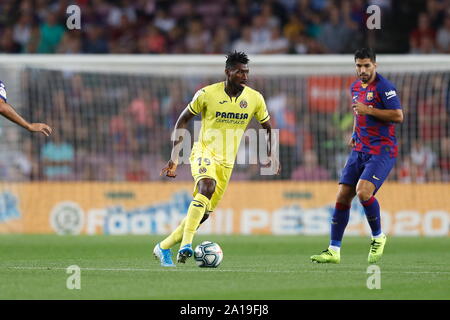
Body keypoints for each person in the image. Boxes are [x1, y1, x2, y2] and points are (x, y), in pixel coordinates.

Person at [154, 51, 280, 267]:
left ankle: (163, 247)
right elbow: (182, 121)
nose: (245, 76)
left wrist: (272, 155)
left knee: (203, 214)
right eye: (240, 72)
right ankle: (186, 245)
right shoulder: (206, 94)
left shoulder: (254, 98)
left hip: (227, 163)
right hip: (204, 152)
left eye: (246, 72)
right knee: (206, 186)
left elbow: (268, 128)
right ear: (227, 72)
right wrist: (174, 158)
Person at [311, 48, 403, 264]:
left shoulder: (385, 87)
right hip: (359, 150)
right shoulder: (354, 87)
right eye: (359, 66)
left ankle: (378, 236)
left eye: (366, 65)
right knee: (343, 195)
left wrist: (369, 110)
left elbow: (398, 115)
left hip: (381, 150)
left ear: (375, 65)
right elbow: (357, 111)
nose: (362, 70)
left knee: (363, 193)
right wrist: (354, 131)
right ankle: (334, 250)